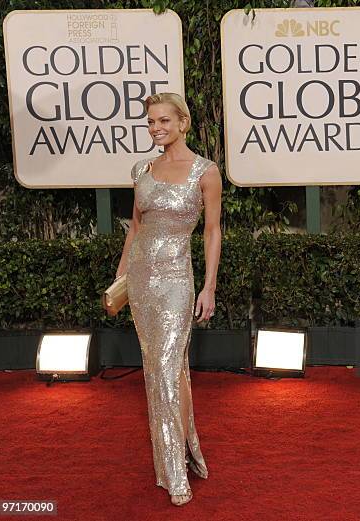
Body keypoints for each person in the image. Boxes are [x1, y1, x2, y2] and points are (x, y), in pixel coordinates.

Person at [115, 92, 222, 506]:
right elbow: (136, 227)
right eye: (150, 122)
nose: (155, 128)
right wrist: (121, 276)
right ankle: (184, 453)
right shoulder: (141, 169)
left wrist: (209, 286)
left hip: (178, 280)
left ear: (183, 122)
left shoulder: (205, 172)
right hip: (141, 279)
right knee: (165, 370)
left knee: (165, 367)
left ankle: (176, 469)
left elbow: (212, 232)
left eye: (163, 120)